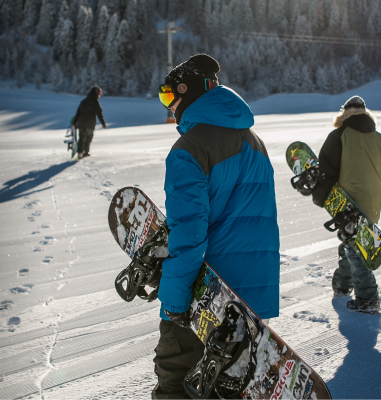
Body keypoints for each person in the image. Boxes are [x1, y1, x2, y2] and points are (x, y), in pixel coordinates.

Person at [152, 54, 280, 400]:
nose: (168, 106)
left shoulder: (188, 149)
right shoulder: (255, 141)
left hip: (207, 297)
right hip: (252, 298)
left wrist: (175, 300)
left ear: (187, 93)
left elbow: (189, 234)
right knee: (228, 389)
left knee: (176, 381)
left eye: (168, 96)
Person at [308, 95, 381, 314]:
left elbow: (326, 172)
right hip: (372, 203)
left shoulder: (339, 135)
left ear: (344, 114)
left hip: (348, 203)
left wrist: (319, 197)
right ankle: (342, 285)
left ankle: (368, 298)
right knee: (352, 243)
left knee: (356, 250)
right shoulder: (380, 139)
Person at [72, 85, 106, 159]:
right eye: (99, 93)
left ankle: (80, 152)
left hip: (81, 123)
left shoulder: (83, 102)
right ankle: (86, 152)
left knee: (81, 138)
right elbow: (99, 113)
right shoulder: (95, 102)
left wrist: (75, 122)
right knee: (88, 138)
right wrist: (103, 123)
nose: (100, 95)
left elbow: (78, 113)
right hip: (90, 124)